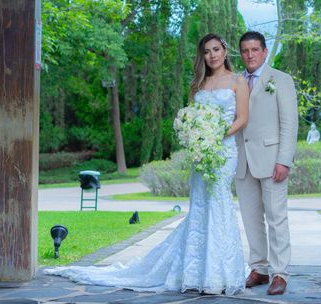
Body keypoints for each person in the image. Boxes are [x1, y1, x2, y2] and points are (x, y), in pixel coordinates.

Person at [45, 33, 249, 295]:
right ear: (203, 56)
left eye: (217, 49)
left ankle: (219, 273)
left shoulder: (237, 81)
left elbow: (242, 118)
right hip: (202, 153)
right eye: (207, 51)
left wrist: (217, 135)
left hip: (224, 152)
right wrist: (198, 136)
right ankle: (197, 272)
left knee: (219, 203)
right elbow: (193, 118)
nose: (212, 55)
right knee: (200, 206)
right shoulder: (197, 84)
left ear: (225, 51)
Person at [235, 31, 298, 295]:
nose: (250, 55)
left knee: (276, 218)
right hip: (242, 160)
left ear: (264, 52)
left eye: (254, 50)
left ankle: (280, 273)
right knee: (250, 219)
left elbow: (289, 123)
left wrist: (284, 160)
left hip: (272, 161)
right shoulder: (235, 82)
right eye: (245, 51)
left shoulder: (280, 80)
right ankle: (259, 269)